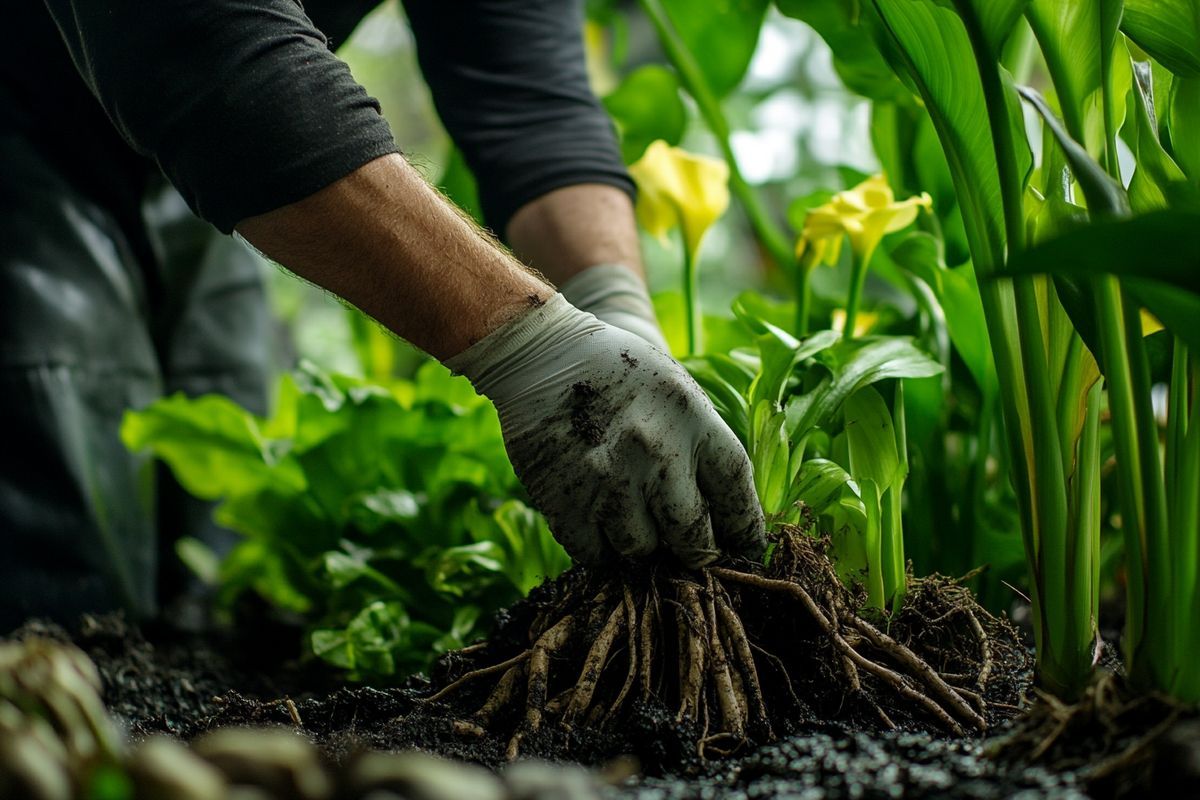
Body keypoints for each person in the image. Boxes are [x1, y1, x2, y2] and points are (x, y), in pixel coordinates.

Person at [0, 0, 765, 631]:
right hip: (41, 112)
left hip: (198, 162)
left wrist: (618, 312)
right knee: (61, 570)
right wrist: (531, 346)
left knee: (216, 572)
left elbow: (528, 97)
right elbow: (195, 36)